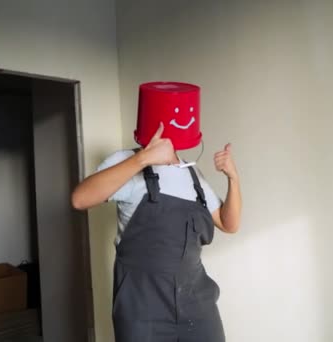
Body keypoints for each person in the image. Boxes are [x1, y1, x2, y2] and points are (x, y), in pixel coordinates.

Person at [71, 82, 242, 342]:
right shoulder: (124, 162)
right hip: (142, 313)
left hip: (198, 308)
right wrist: (143, 159)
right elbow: (80, 199)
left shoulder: (193, 175)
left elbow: (229, 224)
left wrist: (233, 177)